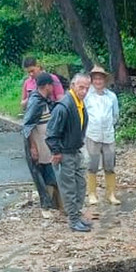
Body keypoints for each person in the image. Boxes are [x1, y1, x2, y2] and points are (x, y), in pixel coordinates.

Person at [45, 73, 92, 232]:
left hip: (75, 150)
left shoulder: (79, 104)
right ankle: (73, 220)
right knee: (69, 187)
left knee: (80, 184)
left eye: (87, 88)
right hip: (65, 153)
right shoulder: (64, 106)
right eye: (81, 87)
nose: (84, 91)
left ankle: (76, 215)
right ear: (73, 86)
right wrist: (56, 152)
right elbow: (51, 133)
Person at [22, 72, 61, 210]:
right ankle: (47, 204)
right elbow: (28, 126)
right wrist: (33, 146)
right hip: (38, 142)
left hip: (46, 141)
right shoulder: (35, 101)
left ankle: (55, 203)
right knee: (42, 172)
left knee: (50, 170)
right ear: (47, 86)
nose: (53, 89)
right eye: (52, 86)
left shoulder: (44, 100)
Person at [84, 65, 121, 206]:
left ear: (105, 80)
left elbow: (115, 115)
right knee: (92, 164)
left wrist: (108, 125)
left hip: (108, 135)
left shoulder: (111, 96)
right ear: (92, 80)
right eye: (95, 79)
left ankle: (110, 194)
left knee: (110, 165)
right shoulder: (87, 96)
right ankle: (92, 194)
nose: (98, 81)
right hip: (92, 134)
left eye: (100, 78)